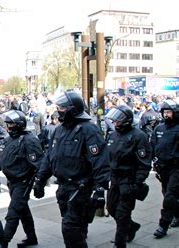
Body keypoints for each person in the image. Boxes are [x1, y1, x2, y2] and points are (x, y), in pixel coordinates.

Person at [33, 91, 110, 248]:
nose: (59, 111)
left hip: (80, 187)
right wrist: (40, 180)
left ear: (72, 109)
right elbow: (50, 157)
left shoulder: (89, 129)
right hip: (63, 187)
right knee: (74, 224)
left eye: (62, 108)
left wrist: (100, 188)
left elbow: (100, 161)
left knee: (70, 229)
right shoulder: (58, 130)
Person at [105, 105, 152, 247]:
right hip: (114, 180)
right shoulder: (112, 135)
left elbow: (144, 163)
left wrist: (137, 183)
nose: (115, 123)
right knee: (112, 208)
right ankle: (131, 227)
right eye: (114, 121)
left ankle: (120, 242)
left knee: (122, 214)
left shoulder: (139, 136)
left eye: (118, 121)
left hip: (129, 180)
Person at [0, 110, 43, 247]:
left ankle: (4, 241)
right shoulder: (10, 139)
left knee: (13, 212)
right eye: (7, 124)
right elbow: (2, 160)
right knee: (23, 211)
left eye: (10, 124)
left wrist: (38, 184)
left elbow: (39, 165)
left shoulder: (29, 140)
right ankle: (32, 237)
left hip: (23, 182)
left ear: (18, 124)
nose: (7, 127)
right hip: (12, 182)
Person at [151, 99, 179, 238]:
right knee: (167, 193)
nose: (166, 115)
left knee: (170, 196)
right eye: (164, 112)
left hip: (176, 168)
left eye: (169, 112)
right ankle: (177, 215)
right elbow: (153, 146)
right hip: (162, 168)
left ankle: (163, 225)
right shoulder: (158, 128)